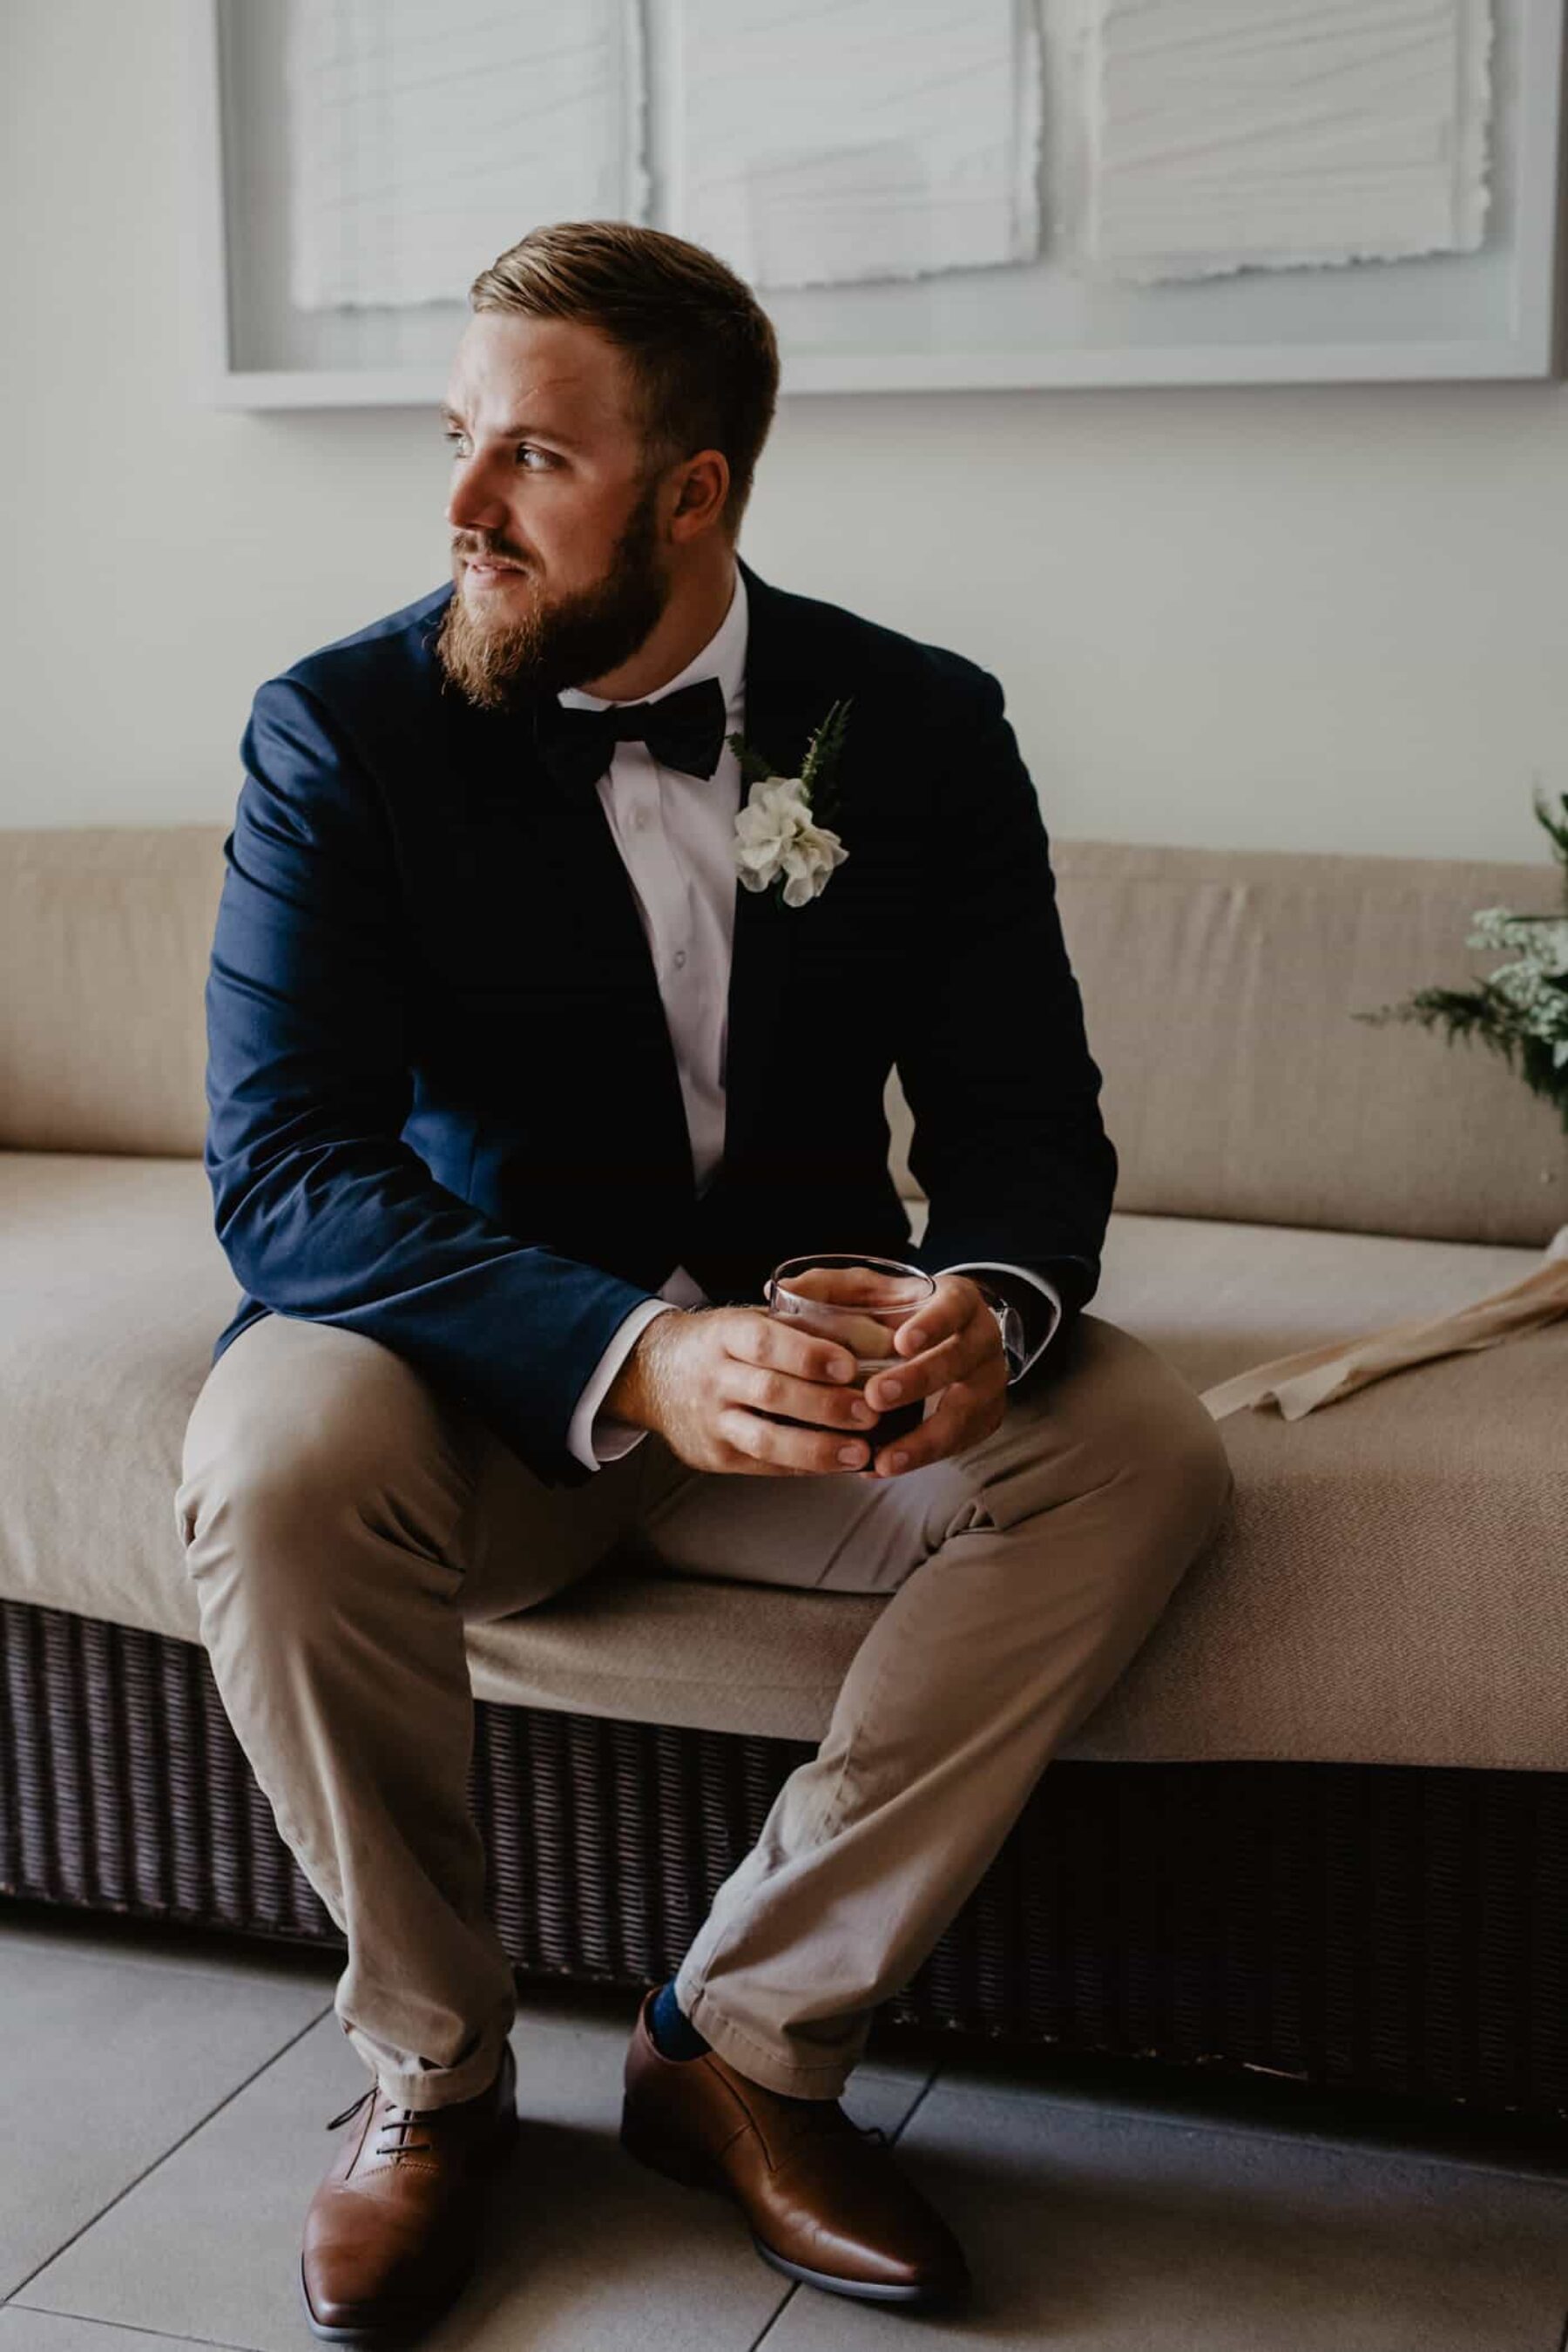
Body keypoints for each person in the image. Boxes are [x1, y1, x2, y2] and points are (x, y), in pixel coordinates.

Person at [174, 219, 1233, 2344]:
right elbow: (285, 1174)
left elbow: (1028, 1119)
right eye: (456, 441)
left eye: (532, 462)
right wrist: (632, 1352)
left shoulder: (920, 728)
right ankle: (435, 2077)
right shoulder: (342, 731)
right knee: (268, 1456)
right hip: (481, 1360)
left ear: (694, 494)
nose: (462, 505)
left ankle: (739, 2042)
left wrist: (992, 1309)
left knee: (1141, 1453)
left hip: (818, 1360)